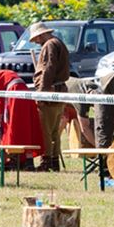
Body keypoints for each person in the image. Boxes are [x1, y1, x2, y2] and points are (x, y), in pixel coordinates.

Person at [0, 62, 44, 170]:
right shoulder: (1, 77)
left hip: (14, 92)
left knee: (13, 127)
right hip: (22, 91)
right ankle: (27, 161)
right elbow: (1, 107)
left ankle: (15, 160)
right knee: (25, 127)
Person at [30, 22, 70, 171]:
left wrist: (42, 93)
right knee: (54, 131)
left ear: (40, 35)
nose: (37, 42)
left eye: (36, 39)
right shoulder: (58, 43)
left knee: (45, 130)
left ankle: (46, 162)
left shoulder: (49, 45)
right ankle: (54, 162)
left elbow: (48, 69)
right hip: (59, 91)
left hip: (50, 92)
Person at [65, 77, 100, 147]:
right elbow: (84, 128)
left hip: (70, 88)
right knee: (63, 120)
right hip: (55, 93)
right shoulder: (81, 100)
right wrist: (99, 148)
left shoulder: (97, 88)